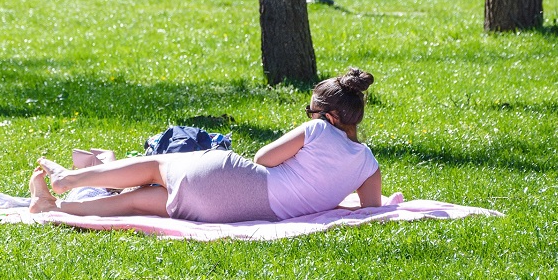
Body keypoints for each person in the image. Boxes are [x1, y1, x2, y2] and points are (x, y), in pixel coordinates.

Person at [27, 68, 383, 222]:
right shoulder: (367, 162)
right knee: (138, 201)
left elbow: (264, 158)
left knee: (155, 167)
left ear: (329, 115)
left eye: (311, 109)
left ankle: (68, 182)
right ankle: (54, 210)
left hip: (234, 181)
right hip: (233, 212)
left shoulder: (317, 130)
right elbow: (369, 209)